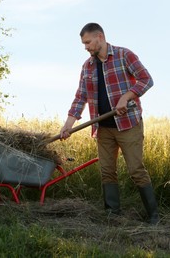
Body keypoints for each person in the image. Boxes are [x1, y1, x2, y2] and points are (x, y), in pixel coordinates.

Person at [59, 23, 159, 225]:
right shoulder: (87, 67)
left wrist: (127, 97)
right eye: (83, 43)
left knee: (135, 170)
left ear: (100, 37)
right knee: (107, 171)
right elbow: (81, 97)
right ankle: (112, 215)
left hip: (127, 124)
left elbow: (146, 79)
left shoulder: (124, 55)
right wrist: (68, 124)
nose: (85, 47)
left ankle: (154, 216)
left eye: (87, 42)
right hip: (103, 127)